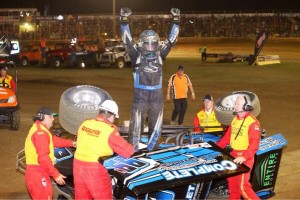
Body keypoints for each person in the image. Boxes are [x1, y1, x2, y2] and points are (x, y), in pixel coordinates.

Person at [120, 7, 180, 151]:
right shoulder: (135, 54)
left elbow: (171, 41)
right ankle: (132, 151)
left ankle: (154, 150)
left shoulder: (161, 53)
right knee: (136, 127)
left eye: (153, 43)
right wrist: (123, 21)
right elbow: (127, 40)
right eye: (147, 43)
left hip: (156, 96)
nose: (151, 46)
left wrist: (176, 20)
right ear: (141, 43)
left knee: (156, 126)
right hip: (140, 96)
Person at [73, 99, 134, 199]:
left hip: (77, 166)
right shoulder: (109, 130)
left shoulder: (85, 123)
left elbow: (77, 139)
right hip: (95, 169)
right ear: (111, 116)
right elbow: (128, 151)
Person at [25, 107, 76, 199]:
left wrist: (72, 143)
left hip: (38, 172)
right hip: (38, 173)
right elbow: (43, 158)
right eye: (51, 117)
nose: (53, 119)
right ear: (43, 117)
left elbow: (53, 141)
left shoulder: (40, 129)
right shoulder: (40, 133)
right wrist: (56, 175)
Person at [216, 95, 261, 200]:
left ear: (246, 106)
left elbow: (254, 144)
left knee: (243, 187)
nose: (234, 106)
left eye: (237, 104)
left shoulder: (253, 123)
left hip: (244, 158)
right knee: (233, 187)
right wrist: (215, 148)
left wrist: (244, 157)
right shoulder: (235, 119)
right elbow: (227, 137)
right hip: (233, 156)